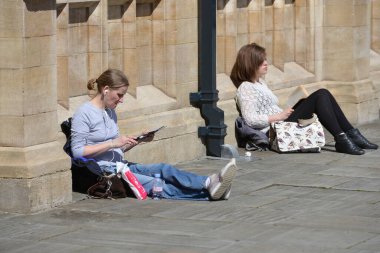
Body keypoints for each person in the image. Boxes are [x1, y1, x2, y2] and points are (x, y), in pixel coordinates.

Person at [71, 69, 236, 200]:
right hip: (105, 172)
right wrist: (113, 143)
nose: (121, 100)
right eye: (119, 95)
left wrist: (136, 140)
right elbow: (77, 152)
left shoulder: (110, 112)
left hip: (122, 165)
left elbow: (116, 149)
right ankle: (208, 193)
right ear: (106, 89)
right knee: (156, 185)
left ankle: (208, 182)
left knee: (163, 169)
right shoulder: (84, 113)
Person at [230, 43, 378, 155]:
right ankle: (342, 139)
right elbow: (250, 119)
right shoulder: (246, 88)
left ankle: (351, 134)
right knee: (320, 94)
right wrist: (278, 116)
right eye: (261, 61)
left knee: (323, 94)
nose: (266, 63)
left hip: (282, 121)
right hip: (274, 130)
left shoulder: (260, 83)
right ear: (250, 64)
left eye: (265, 59)